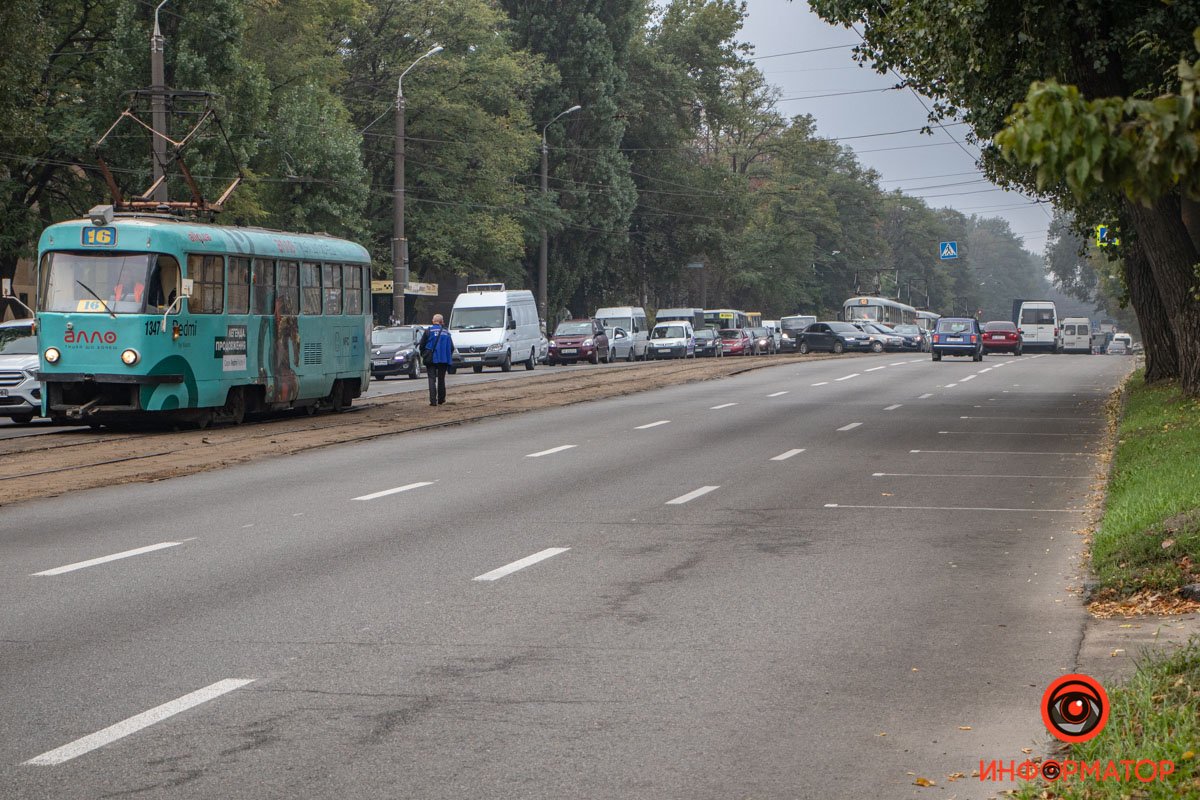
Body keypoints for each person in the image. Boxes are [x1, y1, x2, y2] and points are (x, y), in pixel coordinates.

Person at [419, 314, 454, 406]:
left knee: (431, 379)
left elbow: (421, 345)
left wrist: (424, 354)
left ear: (432, 321)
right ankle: (441, 399)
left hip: (431, 359)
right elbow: (451, 347)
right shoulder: (446, 333)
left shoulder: (428, 331)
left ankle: (433, 401)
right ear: (442, 322)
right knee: (441, 379)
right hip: (443, 359)